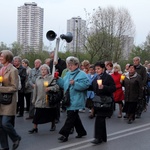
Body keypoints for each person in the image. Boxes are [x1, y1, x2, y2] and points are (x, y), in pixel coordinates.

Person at [57, 56, 90, 142]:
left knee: (70, 117)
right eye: (68, 64)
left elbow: (86, 85)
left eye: (71, 65)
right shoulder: (68, 73)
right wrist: (58, 79)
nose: (69, 66)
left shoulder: (82, 74)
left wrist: (75, 83)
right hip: (69, 99)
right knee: (74, 117)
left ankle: (64, 134)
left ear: (76, 65)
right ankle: (81, 132)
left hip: (77, 99)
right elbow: (64, 84)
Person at [28, 64, 59, 134]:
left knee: (51, 113)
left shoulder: (51, 78)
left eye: (45, 69)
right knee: (37, 114)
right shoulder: (38, 79)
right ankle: (35, 127)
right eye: (42, 70)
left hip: (48, 99)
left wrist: (50, 88)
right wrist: (34, 99)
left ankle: (53, 125)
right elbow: (35, 90)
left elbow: (56, 87)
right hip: (39, 99)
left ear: (48, 71)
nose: (43, 71)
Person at [90, 61, 116, 144]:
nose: (97, 70)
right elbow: (92, 87)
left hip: (105, 101)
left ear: (103, 69)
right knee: (101, 119)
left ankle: (98, 138)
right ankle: (103, 137)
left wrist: (104, 87)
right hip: (98, 101)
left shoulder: (108, 77)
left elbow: (113, 88)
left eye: (98, 69)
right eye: (96, 69)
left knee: (99, 119)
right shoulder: (96, 78)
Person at [0, 50, 21, 150]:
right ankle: (5, 147)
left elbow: (14, 87)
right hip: (0, 100)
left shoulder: (13, 70)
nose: (0, 58)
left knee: (5, 123)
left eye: (2, 56)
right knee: (0, 126)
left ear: (7, 58)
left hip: (8, 100)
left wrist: (1, 89)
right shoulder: (1, 69)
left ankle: (16, 138)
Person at [49, 51, 66, 123]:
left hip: (59, 82)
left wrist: (57, 65)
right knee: (51, 99)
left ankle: (57, 117)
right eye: (51, 57)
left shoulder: (62, 62)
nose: (52, 58)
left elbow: (63, 71)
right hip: (52, 81)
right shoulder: (50, 62)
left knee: (57, 101)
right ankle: (51, 116)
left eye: (53, 57)